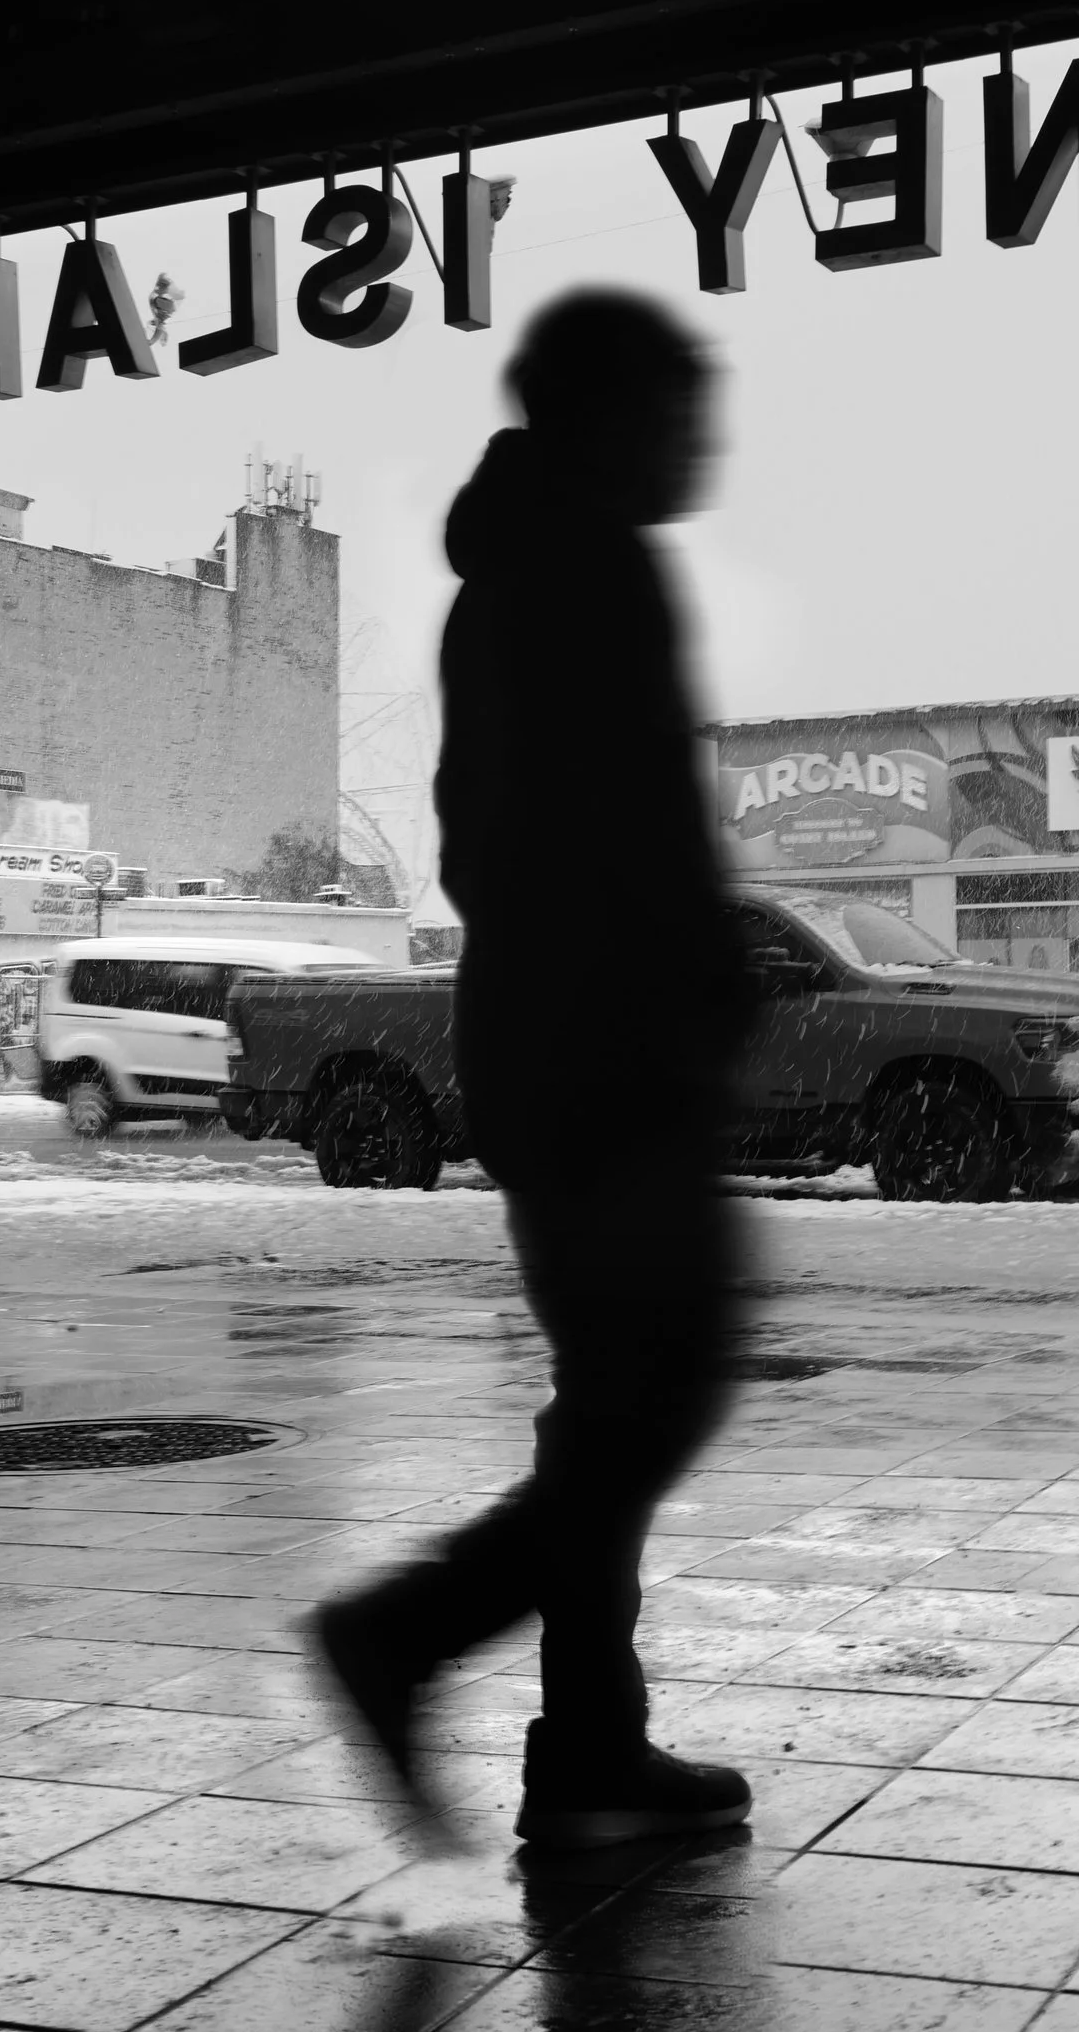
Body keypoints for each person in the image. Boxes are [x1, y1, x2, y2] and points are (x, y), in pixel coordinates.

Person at [306, 290, 753, 1851]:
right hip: (608, 1054)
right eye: (682, 405)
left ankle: (588, 1746)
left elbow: (486, 839)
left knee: (613, 1401)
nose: (703, 436)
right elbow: (624, 830)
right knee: (662, 1391)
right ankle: (411, 1636)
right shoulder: (592, 567)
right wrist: (695, 986)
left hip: (544, 1041)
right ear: (616, 412)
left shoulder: (507, 576)